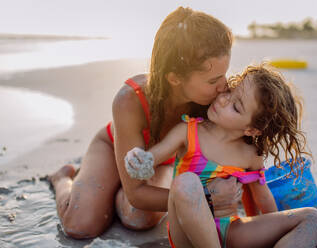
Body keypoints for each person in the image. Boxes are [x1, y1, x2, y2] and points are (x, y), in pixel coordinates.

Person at [48, 6, 243, 239]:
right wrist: (206, 197)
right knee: (79, 226)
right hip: (112, 147)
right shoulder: (130, 99)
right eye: (213, 79)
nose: (224, 86)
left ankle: (114, 191)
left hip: (163, 161)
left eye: (225, 74)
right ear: (174, 78)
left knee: (138, 217)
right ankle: (62, 178)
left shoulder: (214, 103)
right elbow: (137, 194)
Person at [125, 64, 317, 248]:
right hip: (187, 235)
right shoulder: (188, 131)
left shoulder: (250, 154)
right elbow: (154, 156)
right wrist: (142, 159)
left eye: (236, 106)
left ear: (252, 129)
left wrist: (273, 228)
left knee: (313, 218)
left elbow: (262, 198)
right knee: (186, 182)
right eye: (230, 91)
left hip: (230, 230)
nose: (222, 100)